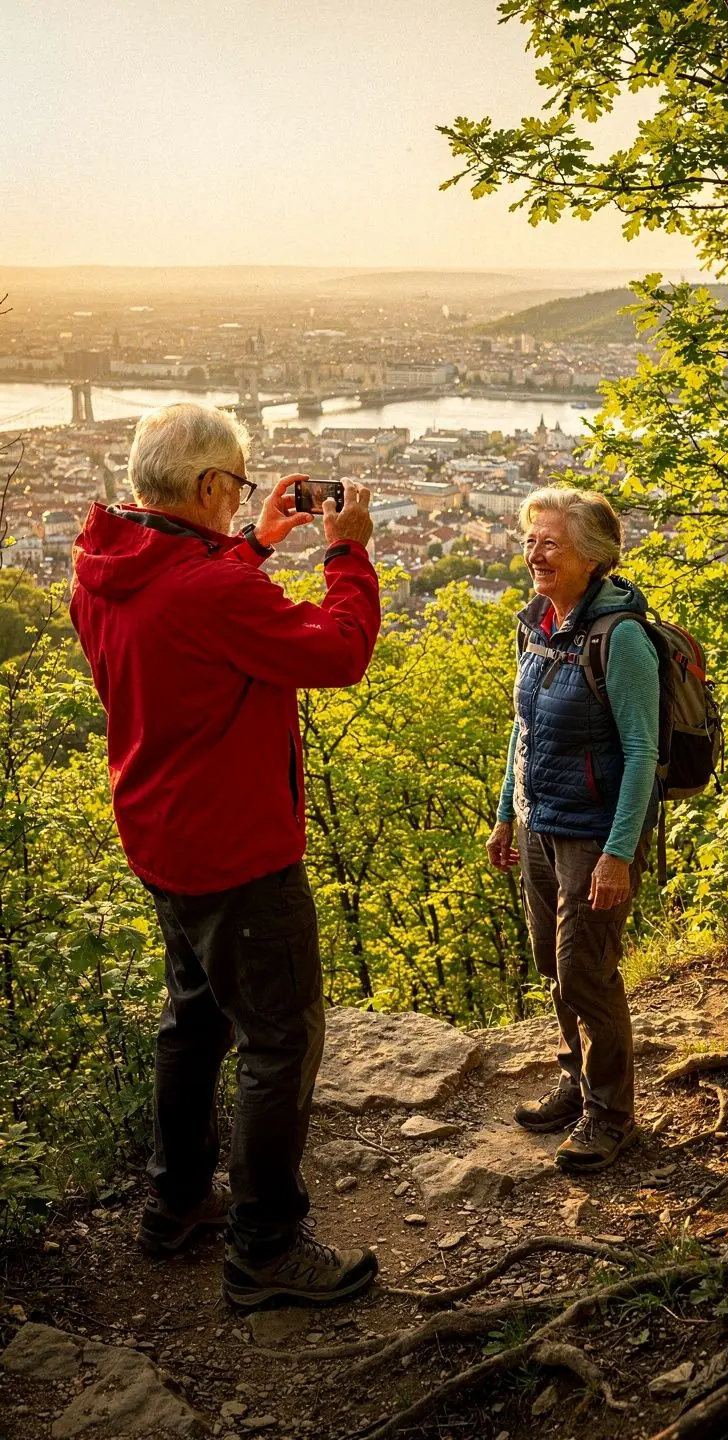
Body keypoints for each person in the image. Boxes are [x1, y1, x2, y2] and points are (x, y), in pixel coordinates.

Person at [70, 403, 381, 1309]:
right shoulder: (211, 591)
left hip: (162, 835)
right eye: (237, 487)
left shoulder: (104, 568)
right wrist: (345, 553)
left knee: (193, 1021)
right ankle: (266, 1248)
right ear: (209, 487)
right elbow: (339, 651)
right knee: (280, 1042)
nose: (242, 499)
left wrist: (253, 542)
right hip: (240, 849)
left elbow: (189, 607)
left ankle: (174, 1206)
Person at [486, 486, 659, 1173]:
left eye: (551, 542)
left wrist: (619, 854)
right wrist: (506, 812)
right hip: (539, 823)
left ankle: (613, 1115)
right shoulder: (536, 624)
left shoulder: (621, 640)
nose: (535, 552)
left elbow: (643, 750)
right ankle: (577, 1079)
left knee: (586, 973)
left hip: (594, 834)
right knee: (552, 965)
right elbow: (522, 730)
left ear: (592, 557)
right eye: (531, 539)